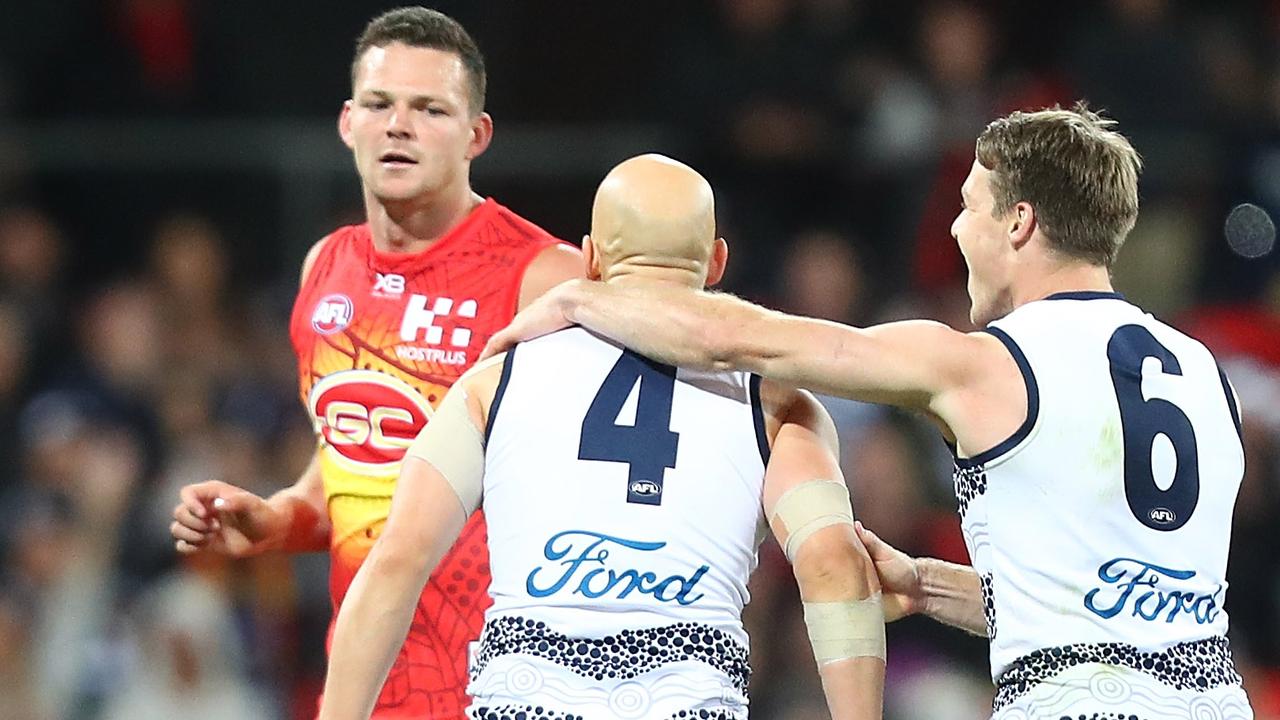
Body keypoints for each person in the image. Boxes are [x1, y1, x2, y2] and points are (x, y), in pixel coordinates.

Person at [484, 106, 1255, 719]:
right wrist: (925, 584)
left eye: (969, 207)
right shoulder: (1203, 373)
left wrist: (587, 292)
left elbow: (733, 341)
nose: (954, 229)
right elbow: (1119, 623)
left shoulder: (979, 362)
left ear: (1017, 224)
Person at [317, 154, 886, 720]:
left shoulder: (493, 383)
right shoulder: (780, 407)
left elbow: (396, 561)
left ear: (588, 259)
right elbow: (834, 562)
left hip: (526, 700)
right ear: (716, 262)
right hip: (684, 702)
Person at [168, 8, 581, 719]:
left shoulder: (545, 279)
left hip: (514, 687)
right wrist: (278, 518)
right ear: (347, 122)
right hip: (372, 689)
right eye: (381, 105)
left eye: (430, 110)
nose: (399, 126)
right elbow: (351, 470)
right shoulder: (324, 270)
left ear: (476, 136)